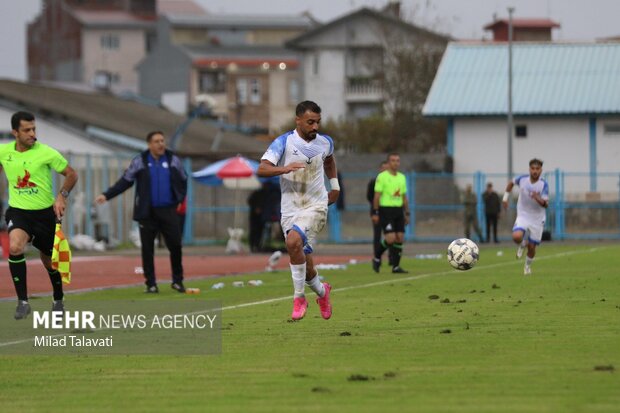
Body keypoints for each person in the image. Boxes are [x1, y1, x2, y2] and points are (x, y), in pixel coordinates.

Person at [257, 100, 338, 321]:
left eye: (318, 122)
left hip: (316, 205)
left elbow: (330, 161)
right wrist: (285, 168)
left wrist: (335, 186)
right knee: (305, 262)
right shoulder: (283, 142)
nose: (315, 127)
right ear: (298, 120)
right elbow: (262, 168)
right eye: (310, 122)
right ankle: (322, 292)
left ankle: (299, 298)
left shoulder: (325, 142)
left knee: (292, 243)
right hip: (291, 209)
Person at [0, 111, 78, 319]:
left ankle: (58, 298)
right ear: (15, 132)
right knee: (15, 247)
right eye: (27, 130)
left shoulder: (46, 152)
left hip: (45, 214)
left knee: (50, 262)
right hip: (19, 211)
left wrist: (62, 196)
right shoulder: (3, 151)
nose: (32, 133)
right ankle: (23, 302)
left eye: (34, 129)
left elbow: (72, 174)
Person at [95, 131, 188, 293]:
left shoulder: (173, 159)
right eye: (156, 141)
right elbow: (125, 181)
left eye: (162, 141)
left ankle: (177, 281)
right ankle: (151, 284)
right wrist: (107, 195)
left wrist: (179, 199)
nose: (161, 144)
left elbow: (183, 179)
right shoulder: (140, 161)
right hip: (147, 212)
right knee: (147, 249)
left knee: (176, 245)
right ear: (149, 145)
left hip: (168, 210)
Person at [502, 158, 549, 275]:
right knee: (516, 236)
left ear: (541, 170)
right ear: (529, 169)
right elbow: (511, 183)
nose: (535, 171)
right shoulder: (522, 179)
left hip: (537, 219)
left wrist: (538, 198)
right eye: (533, 168)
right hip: (523, 215)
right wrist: (505, 198)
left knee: (532, 248)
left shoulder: (543, 185)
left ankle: (527, 266)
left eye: (537, 169)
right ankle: (523, 243)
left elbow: (546, 204)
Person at [371, 153, 410, 274]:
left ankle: (396, 267)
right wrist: (375, 212)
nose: (396, 163)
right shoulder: (381, 177)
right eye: (393, 160)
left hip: (398, 210)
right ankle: (377, 257)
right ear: (388, 163)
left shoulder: (402, 177)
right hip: (385, 210)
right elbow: (377, 196)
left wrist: (407, 213)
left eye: (398, 160)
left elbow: (404, 197)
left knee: (400, 238)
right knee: (390, 238)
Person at [367, 161, 388, 260]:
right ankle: (377, 257)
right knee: (377, 235)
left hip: (389, 212)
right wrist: (375, 210)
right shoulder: (373, 182)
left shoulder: (391, 181)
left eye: (386, 169)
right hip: (377, 212)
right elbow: (370, 197)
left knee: (390, 235)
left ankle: (392, 259)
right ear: (380, 169)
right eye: (383, 168)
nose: (385, 170)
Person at [247, 184, 266, 252]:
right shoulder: (255, 193)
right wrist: (256, 208)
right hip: (254, 216)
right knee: (253, 231)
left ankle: (257, 246)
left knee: (260, 231)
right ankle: (252, 246)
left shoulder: (265, 195)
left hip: (261, 216)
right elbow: (249, 201)